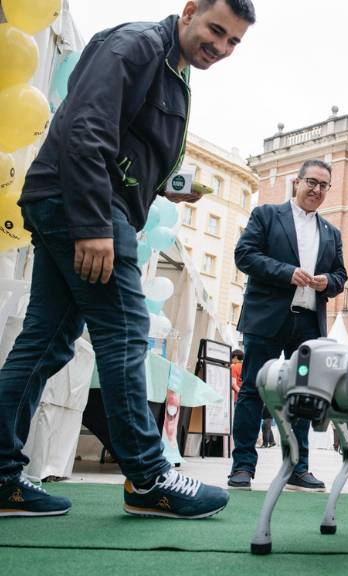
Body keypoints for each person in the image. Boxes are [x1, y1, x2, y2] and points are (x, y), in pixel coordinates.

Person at [0, 0, 254, 519]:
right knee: (124, 333)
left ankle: (2, 475)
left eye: (233, 42)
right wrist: (93, 225)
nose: (221, 48)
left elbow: (122, 142)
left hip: (71, 199)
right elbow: (85, 131)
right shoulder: (136, 45)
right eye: (216, 30)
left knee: (44, 342)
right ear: (189, 11)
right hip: (83, 203)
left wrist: (168, 186)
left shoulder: (171, 67)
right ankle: (147, 477)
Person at [228, 158, 347, 492]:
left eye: (324, 185)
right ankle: (242, 467)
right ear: (297, 182)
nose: (317, 189)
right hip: (266, 318)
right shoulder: (266, 215)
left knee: (304, 396)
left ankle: (298, 468)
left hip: (308, 324)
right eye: (311, 182)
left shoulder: (331, 232)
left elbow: (341, 277)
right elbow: (244, 255)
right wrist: (286, 273)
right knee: (252, 389)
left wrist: (327, 282)